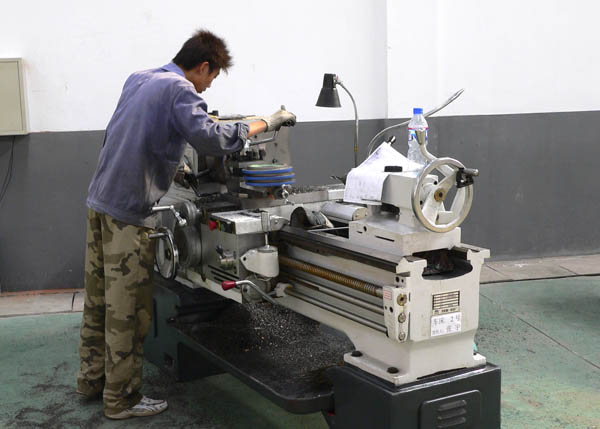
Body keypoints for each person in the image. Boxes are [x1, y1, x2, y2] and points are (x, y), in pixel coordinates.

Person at [76, 29, 296, 420]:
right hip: (129, 215)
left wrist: (174, 166)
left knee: (98, 301)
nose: (208, 87)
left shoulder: (140, 78)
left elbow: (131, 134)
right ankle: (121, 400)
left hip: (101, 202)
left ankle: (92, 382)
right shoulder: (180, 89)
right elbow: (214, 138)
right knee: (128, 310)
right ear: (203, 66)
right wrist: (267, 121)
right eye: (211, 78)